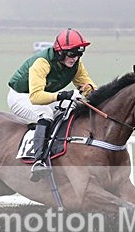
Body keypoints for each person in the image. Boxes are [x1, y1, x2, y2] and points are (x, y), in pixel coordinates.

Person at [7, 28, 97, 181]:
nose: (75, 58)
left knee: (72, 108)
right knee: (46, 114)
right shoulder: (42, 63)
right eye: (72, 54)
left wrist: (89, 90)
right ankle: (39, 161)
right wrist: (64, 95)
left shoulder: (76, 65)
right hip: (21, 96)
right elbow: (36, 97)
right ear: (60, 52)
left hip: (44, 96)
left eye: (79, 54)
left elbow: (89, 86)